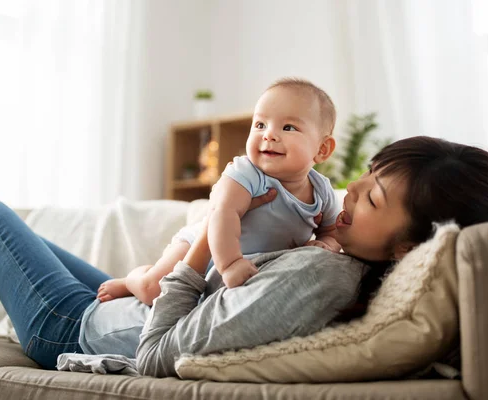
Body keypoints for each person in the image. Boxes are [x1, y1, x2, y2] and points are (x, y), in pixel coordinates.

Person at [0, 136, 488, 372]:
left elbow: (156, 357)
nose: (353, 192)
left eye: (374, 197)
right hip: (119, 310)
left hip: (75, 328)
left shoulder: (321, 276)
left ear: (409, 246)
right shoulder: (334, 251)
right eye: (366, 178)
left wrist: (205, 239)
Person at [97, 77, 340, 300]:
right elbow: (224, 213)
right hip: (203, 246)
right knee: (154, 291)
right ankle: (132, 280)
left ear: (322, 149)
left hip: (245, 265)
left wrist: (326, 244)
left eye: (288, 127)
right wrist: (231, 263)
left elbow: (332, 230)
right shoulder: (246, 173)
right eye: (260, 124)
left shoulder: (321, 190)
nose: (269, 135)